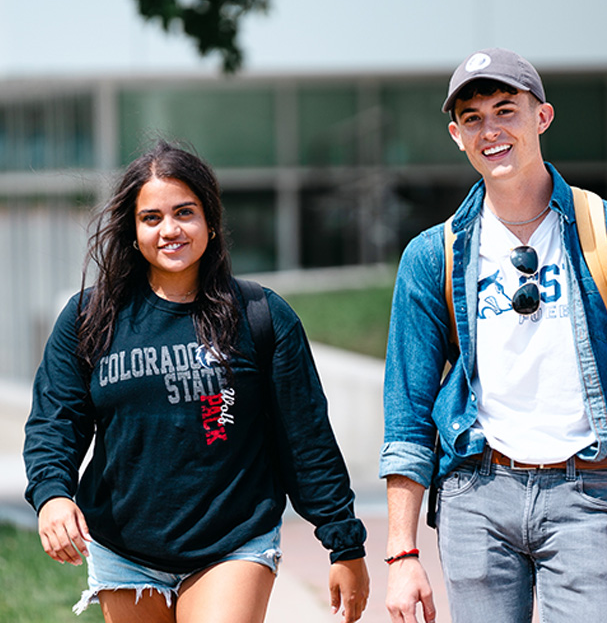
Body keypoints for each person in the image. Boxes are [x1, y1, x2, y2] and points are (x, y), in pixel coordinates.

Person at [380, 48, 607, 623]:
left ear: (541, 117)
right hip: (476, 496)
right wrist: (401, 553)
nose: (491, 130)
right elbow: (407, 415)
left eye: (506, 110)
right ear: (456, 135)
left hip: (585, 496)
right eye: (473, 119)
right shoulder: (434, 255)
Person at [24, 140, 369, 623]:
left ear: (210, 220)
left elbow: (306, 438)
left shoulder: (260, 315)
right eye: (152, 218)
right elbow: (55, 420)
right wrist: (52, 495)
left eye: (184, 212)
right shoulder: (89, 317)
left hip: (233, 539)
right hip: (123, 545)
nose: (170, 230)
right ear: (133, 229)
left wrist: (343, 542)